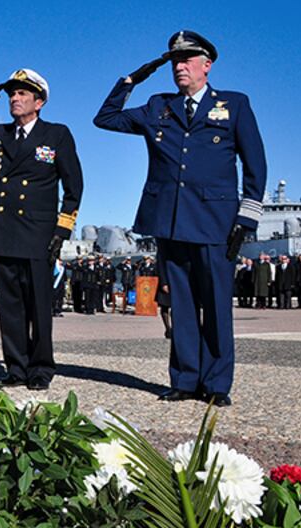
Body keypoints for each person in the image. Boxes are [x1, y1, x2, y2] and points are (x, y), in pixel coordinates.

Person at [94, 30, 267, 406]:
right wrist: (134, 78)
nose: (179, 66)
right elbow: (104, 118)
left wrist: (247, 219)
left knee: (218, 305)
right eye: (174, 61)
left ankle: (217, 385)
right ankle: (185, 380)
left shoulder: (234, 104)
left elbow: (255, 165)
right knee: (182, 305)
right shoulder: (158, 106)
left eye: (187, 59)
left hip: (215, 222)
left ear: (207, 65)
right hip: (170, 221)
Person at [0, 69, 82, 390]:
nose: (15, 98)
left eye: (22, 94)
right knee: (9, 307)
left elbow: (74, 186)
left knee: (39, 305)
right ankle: (16, 367)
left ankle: (40, 368)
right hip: (4, 232)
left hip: (38, 235)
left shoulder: (56, 135)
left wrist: (61, 232)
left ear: (39, 102)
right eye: (12, 94)